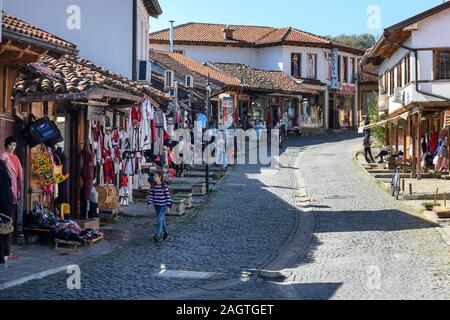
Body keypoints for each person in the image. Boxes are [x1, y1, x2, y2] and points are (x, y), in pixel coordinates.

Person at [147, 171, 172, 242]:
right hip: (156, 205)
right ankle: (166, 233)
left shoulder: (164, 186)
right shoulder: (153, 186)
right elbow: (151, 195)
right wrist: (149, 202)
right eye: (153, 176)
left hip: (163, 205)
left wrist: (168, 206)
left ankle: (157, 235)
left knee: (159, 219)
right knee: (162, 219)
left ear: (160, 177)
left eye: (155, 176)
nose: (154, 177)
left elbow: (167, 196)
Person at [0, 158, 13, 264]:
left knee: (1, 229)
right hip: (8, 201)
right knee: (6, 227)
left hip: (1, 202)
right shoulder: (5, 169)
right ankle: (6, 253)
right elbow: (10, 184)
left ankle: (1, 256)